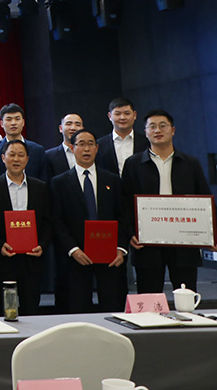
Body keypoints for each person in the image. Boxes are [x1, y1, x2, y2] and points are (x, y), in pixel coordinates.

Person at [122, 110, 215, 294]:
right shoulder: (133, 164)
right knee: (149, 297)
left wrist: (212, 234)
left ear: (172, 130)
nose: (157, 130)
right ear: (145, 132)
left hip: (184, 241)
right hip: (147, 243)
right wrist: (130, 232)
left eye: (162, 126)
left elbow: (204, 199)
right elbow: (124, 202)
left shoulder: (190, 163)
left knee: (186, 296)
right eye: (152, 127)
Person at [50, 129, 128, 312]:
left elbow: (123, 216)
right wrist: (73, 250)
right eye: (81, 144)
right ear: (72, 148)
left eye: (90, 144)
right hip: (76, 257)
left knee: (112, 305)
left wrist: (121, 248)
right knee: (78, 308)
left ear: (97, 148)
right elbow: (57, 220)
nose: (86, 149)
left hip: (109, 255)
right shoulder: (59, 182)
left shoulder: (113, 180)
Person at [0, 140, 52, 315]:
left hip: (32, 260)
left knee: (32, 310)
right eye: (12, 155)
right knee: (5, 311)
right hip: (3, 260)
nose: (16, 159)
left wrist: (42, 245)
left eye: (21, 155)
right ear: (3, 158)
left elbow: (47, 221)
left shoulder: (40, 187)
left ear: (27, 159)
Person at [0, 104, 48, 181]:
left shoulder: (37, 150)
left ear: (23, 122)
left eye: (17, 119)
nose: (13, 123)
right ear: (1, 123)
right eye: (9, 119)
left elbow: (43, 181)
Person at [96, 97, 148, 176]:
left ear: (134, 115)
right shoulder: (99, 144)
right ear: (110, 116)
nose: (122, 117)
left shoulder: (146, 142)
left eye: (127, 113)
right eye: (117, 114)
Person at [46, 113, 84, 178]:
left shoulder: (92, 153)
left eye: (78, 125)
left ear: (82, 129)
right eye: (68, 124)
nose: (73, 128)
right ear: (61, 128)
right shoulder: (49, 156)